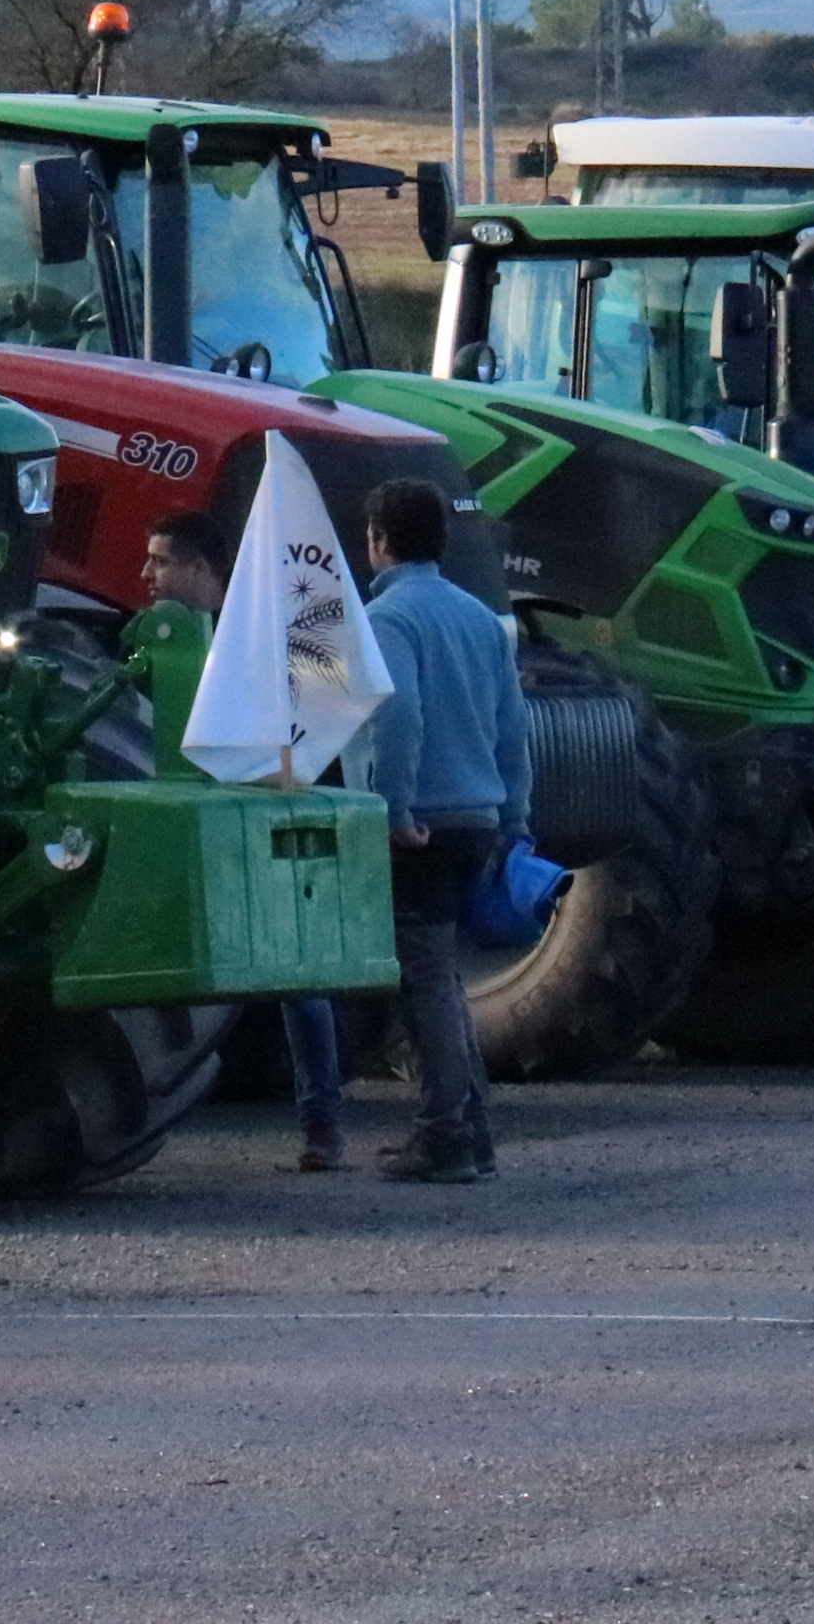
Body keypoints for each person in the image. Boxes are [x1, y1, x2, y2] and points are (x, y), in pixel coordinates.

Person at [141, 510, 354, 1173]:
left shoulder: (255, 636)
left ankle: (322, 1124)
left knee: (299, 979)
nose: (146, 574)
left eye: (160, 561)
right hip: (207, 811)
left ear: (200, 568)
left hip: (266, 812)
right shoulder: (174, 638)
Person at [355, 476, 532, 1182]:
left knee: (424, 982)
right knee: (446, 978)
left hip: (421, 824)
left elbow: (395, 716)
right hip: (480, 818)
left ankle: (443, 1136)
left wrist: (393, 807)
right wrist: (515, 817)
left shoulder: (389, 621)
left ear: (378, 542)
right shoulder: (480, 620)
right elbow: (514, 730)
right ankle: (473, 1131)